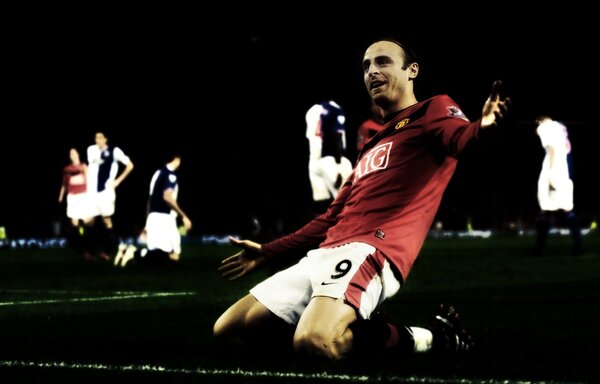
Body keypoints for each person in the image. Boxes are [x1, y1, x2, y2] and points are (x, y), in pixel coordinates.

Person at [213, 39, 510, 360]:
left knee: (316, 341)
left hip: (372, 249)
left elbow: (461, 139)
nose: (372, 71)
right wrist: (269, 252)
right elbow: (330, 218)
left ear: (412, 71)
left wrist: (485, 127)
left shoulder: (432, 108)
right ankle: (360, 331)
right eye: (366, 66)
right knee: (230, 330)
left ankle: (435, 339)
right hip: (323, 254)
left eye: (382, 62)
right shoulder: (371, 145)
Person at [114, 153, 192, 268]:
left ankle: (129, 252)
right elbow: (167, 196)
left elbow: (150, 200)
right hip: (164, 217)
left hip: (154, 215)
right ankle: (133, 252)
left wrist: (147, 221)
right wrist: (184, 216)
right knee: (166, 256)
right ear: (177, 159)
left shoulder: (158, 173)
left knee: (169, 256)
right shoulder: (170, 175)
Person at [534, 115, 584, 255]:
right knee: (568, 211)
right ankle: (579, 247)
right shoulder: (562, 130)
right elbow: (566, 150)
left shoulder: (546, 128)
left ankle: (540, 249)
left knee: (545, 211)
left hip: (554, 174)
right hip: (564, 174)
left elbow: (551, 151)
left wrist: (550, 177)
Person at [86, 131, 134, 260]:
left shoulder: (115, 151)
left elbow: (130, 165)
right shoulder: (91, 150)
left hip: (106, 192)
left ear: (106, 139)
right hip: (92, 192)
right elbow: (93, 167)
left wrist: (118, 181)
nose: (97, 140)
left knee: (107, 220)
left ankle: (107, 251)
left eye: (100, 138)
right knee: (89, 220)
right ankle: (90, 252)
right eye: (96, 138)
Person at [305, 99, 354, 214]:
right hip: (331, 160)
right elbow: (337, 137)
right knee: (345, 204)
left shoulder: (312, 110)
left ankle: (323, 231)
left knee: (322, 206)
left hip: (313, 161)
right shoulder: (335, 109)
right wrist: (339, 166)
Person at [57, 147, 95, 254]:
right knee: (74, 223)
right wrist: (61, 197)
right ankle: (78, 246)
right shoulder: (67, 169)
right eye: (71, 153)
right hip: (72, 197)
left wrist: (92, 195)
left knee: (88, 222)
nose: (73, 155)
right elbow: (64, 184)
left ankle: (88, 246)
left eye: (74, 153)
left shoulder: (84, 166)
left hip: (84, 196)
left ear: (78, 154)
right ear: (69, 156)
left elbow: (89, 180)